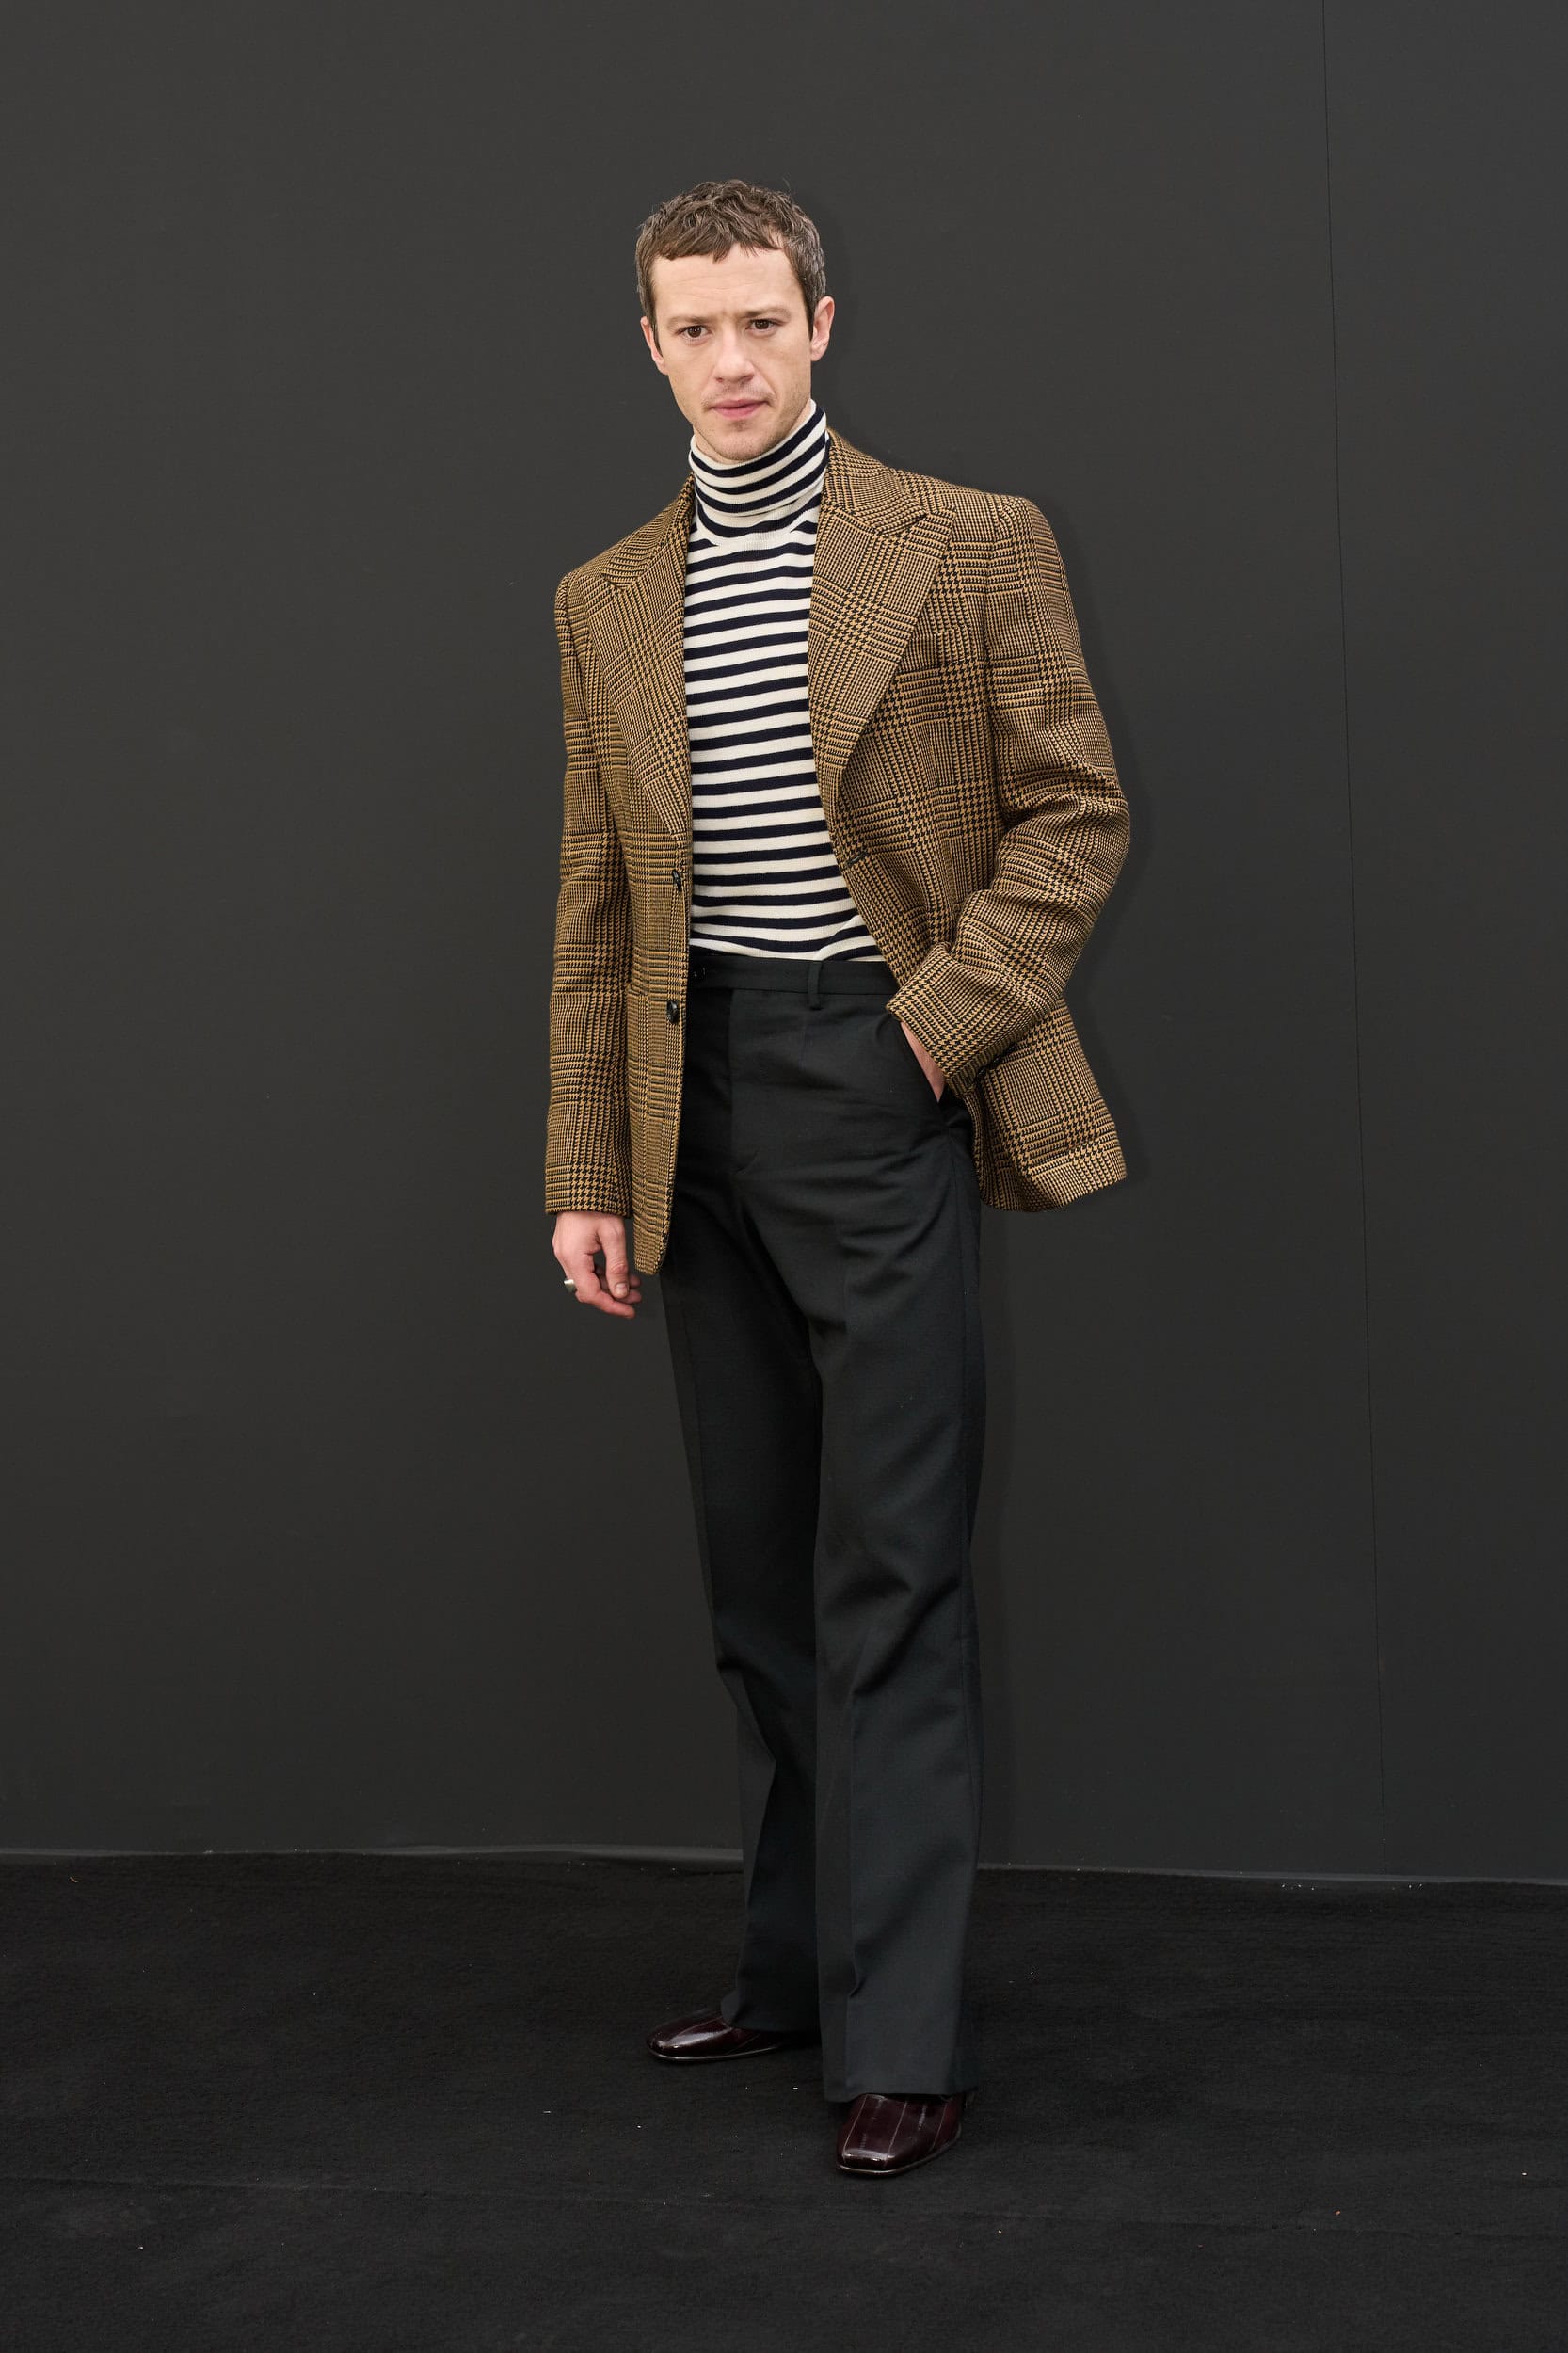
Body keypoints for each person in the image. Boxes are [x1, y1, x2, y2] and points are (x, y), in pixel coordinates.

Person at [545, 178, 1130, 2177]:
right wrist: (586, 1162)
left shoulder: (964, 541)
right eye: (689, 327)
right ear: (648, 346)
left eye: (758, 321)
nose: (727, 359)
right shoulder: (605, 596)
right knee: (754, 1576)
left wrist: (923, 1035)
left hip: (867, 1076)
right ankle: (794, 1969)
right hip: (682, 1102)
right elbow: (597, 901)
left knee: (889, 1572)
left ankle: (903, 2034)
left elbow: (1071, 816)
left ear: (817, 323)